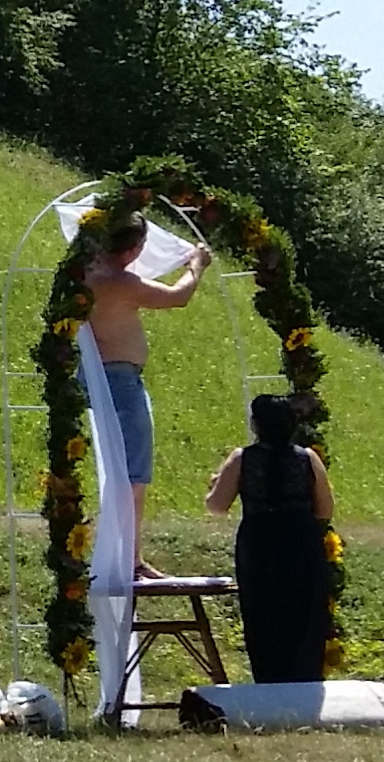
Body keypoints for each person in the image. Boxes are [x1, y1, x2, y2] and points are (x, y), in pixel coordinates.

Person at [85, 220, 208, 567]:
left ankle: (129, 556)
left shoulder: (85, 273)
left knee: (125, 472)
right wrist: (196, 265)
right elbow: (178, 296)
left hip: (105, 375)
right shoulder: (119, 281)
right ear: (133, 249)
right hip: (120, 381)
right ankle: (130, 559)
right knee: (133, 473)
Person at [205, 392, 338, 684]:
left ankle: (269, 679)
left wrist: (215, 484)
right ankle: (304, 677)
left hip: (260, 543)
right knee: (304, 614)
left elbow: (217, 506)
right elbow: (325, 509)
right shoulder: (307, 458)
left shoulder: (242, 459)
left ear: (257, 425)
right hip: (301, 541)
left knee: (263, 615)